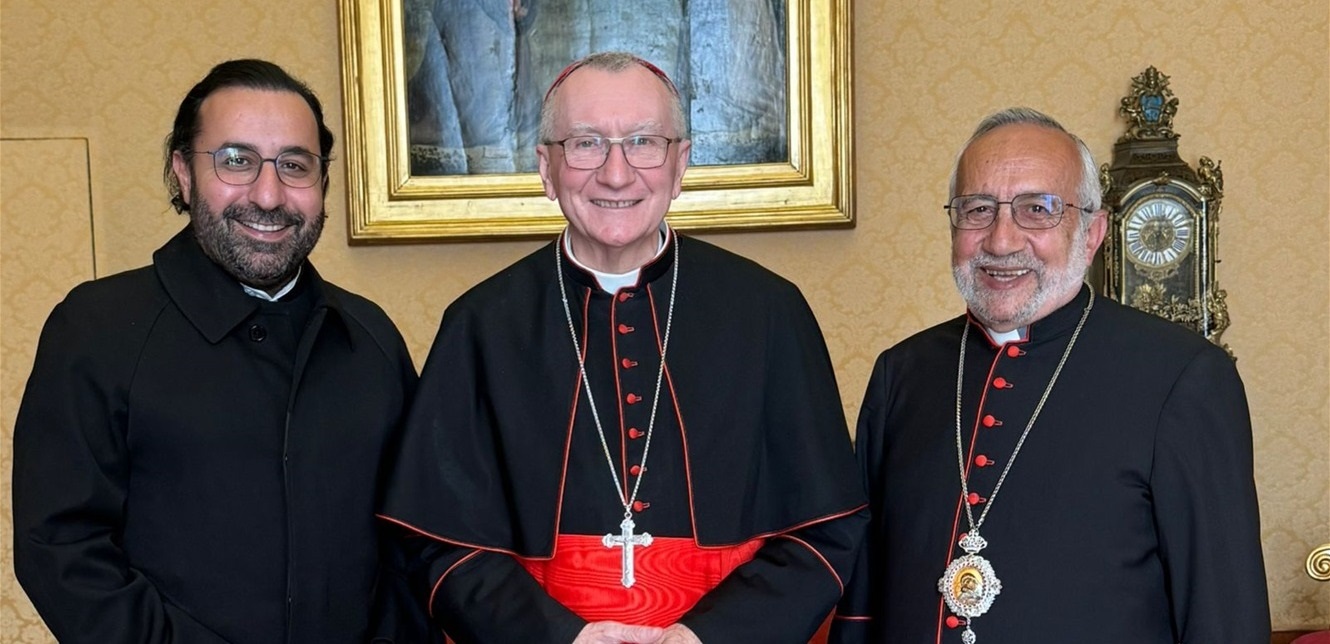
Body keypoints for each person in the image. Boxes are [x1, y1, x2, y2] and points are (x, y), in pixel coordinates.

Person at [379, 51, 868, 643]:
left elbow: (826, 530)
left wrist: (705, 637)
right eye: (586, 144)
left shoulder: (769, 312)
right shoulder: (481, 324)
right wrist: (561, 638)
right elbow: (436, 542)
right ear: (546, 168)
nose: (616, 174)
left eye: (643, 142)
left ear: (680, 164)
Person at [11, 59, 428, 644]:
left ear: (323, 182)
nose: (268, 194)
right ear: (183, 173)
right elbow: (62, 550)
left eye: (294, 165)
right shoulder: (97, 328)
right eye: (236, 160)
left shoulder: (370, 336)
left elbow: (413, 540)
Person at [830, 107, 1269, 643]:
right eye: (978, 209)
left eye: (1037, 210)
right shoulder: (902, 374)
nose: (1001, 241)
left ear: (1092, 232)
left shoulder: (1183, 377)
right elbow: (863, 598)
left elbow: (1224, 616)